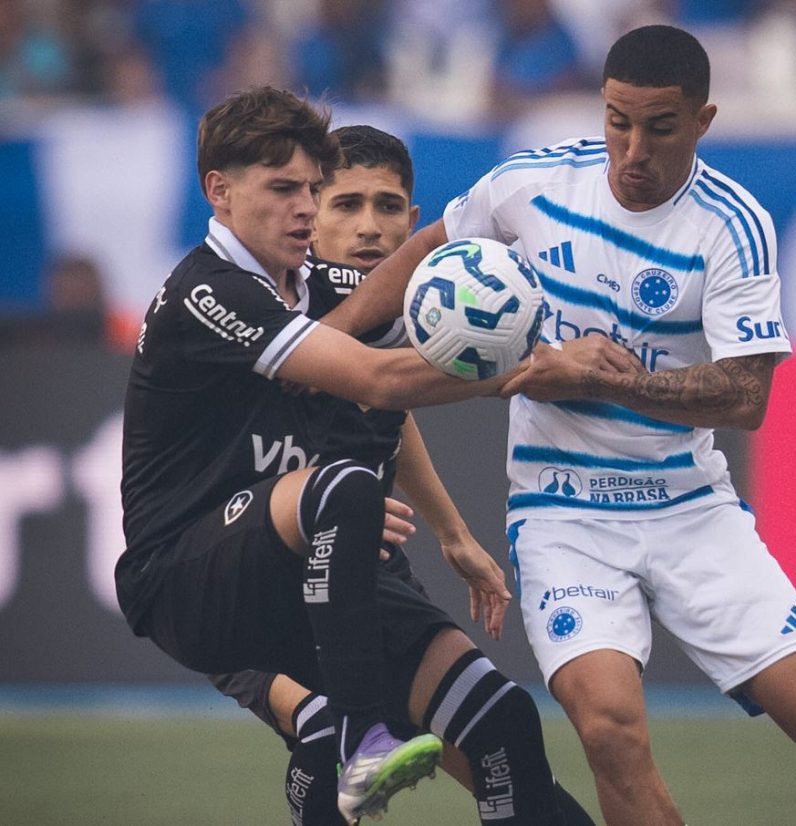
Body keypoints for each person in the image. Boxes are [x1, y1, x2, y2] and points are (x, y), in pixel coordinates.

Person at [331, 25, 796, 826]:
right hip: (562, 512)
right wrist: (325, 339)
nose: (632, 150)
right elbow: (428, 246)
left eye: (659, 127)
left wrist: (603, 378)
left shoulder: (731, 226)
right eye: (617, 121)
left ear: (702, 120)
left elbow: (745, 396)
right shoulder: (532, 185)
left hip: (689, 507)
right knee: (609, 731)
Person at [116, 87, 594, 826]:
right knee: (340, 492)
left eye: (312, 189)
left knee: (503, 722)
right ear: (219, 191)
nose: (305, 210)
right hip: (189, 577)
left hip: (317, 568)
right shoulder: (208, 293)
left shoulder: (322, 284)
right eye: (284, 190)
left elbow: (418, 340)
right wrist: (526, 367)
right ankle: (362, 738)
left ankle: (352, 739)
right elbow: (379, 380)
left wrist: (559, 348)